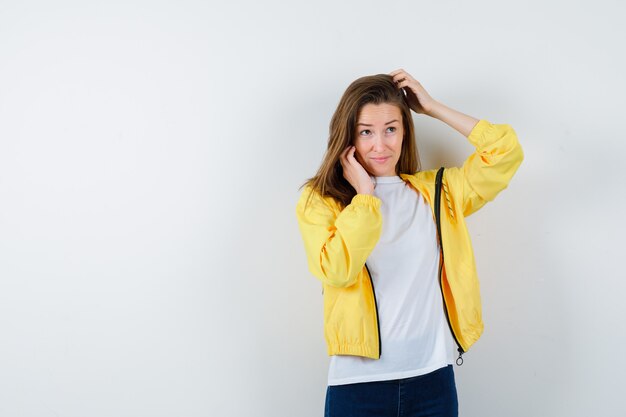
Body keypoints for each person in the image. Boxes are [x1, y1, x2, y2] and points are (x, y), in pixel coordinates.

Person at [295, 69, 524, 417]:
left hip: (432, 380)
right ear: (348, 138)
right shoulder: (322, 201)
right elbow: (336, 270)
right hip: (358, 387)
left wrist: (432, 107)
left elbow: (505, 152)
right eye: (366, 132)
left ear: (405, 130)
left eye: (391, 129)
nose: (380, 144)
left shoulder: (437, 193)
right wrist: (366, 197)